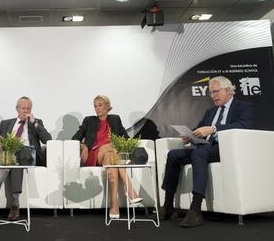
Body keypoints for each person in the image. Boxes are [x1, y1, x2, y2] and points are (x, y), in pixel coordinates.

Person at [160, 76, 254, 227]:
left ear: (228, 90)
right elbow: (200, 129)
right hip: (204, 147)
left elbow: (244, 125)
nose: (213, 96)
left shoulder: (243, 106)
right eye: (211, 93)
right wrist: (190, 136)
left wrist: (214, 129)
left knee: (199, 153)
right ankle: (168, 204)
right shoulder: (211, 111)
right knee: (173, 155)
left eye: (216, 92)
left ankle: (195, 209)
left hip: (224, 149)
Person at [0, 96, 52, 220]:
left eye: (28, 108)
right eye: (23, 108)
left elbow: (47, 139)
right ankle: (15, 205)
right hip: (13, 156)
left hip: (30, 156)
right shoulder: (6, 123)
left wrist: (35, 123)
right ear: (17, 109)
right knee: (12, 155)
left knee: (15, 152)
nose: (26, 111)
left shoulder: (36, 122)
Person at [72, 95, 143, 219]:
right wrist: (84, 147)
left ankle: (114, 204)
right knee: (112, 146)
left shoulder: (115, 119)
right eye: (95, 106)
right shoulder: (89, 120)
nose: (97, 108)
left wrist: (130, 149)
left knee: (111, 158)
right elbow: (74, 139)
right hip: (94, 154)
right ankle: (130, 189)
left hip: (110, 156)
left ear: (107, 105)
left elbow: (125, 138)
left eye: (100, 105)